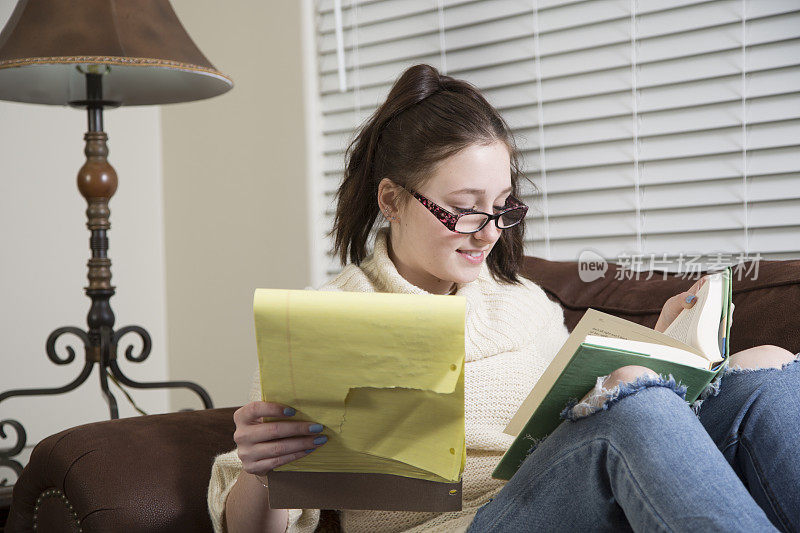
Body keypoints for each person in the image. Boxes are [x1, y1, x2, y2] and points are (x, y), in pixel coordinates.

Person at [207, 63, 800, 533]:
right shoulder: (325, 322)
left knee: (765, 373)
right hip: (460, 526)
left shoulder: (526, 300)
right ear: (391, 199)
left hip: (576, 498)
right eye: (464, 209)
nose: (490, 232)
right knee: (634, 404)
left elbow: (583, 415)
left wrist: (670, 343)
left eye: (500, 208)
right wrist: (265, 474)